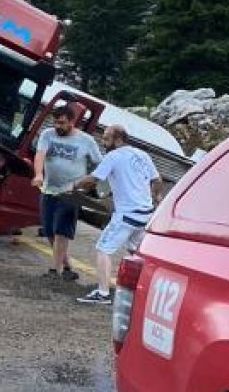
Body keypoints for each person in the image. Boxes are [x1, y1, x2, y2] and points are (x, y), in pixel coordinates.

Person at [68, 125, 162, 304]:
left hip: (126, 214)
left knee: (104, 249)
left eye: (106, 138)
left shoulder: (113, 156)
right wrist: (155, 196)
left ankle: (102, 293)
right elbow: (157, 180)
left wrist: (72, 186)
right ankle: (142, 293)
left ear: (118, 139)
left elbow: (93, 180)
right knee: (137, 254)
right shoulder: (142, 155)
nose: (103, 142)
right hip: (145, 214)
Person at [31, 105, 101, 281]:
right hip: (48, 189)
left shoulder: (86, 141)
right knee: (48, 230)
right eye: (55, 122)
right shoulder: (48, 134)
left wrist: (88, 183)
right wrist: (39, 174)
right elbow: (40, 155)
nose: (57, 126)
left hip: (71, 193)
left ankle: (54, 271)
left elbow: (99, 165)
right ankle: (68, 267)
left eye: (61, 123)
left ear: (72, 121)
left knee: (61, 230)